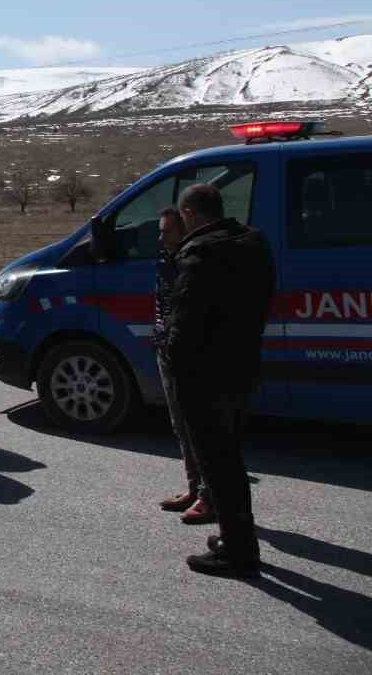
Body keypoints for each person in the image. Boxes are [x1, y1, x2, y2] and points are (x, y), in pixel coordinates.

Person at [163, 183, 275, 579]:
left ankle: (239, 552)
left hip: (204, 375)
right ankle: (234, 538)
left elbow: (184, 324)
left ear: (190, 214)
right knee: (230, 459)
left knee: (218, 464)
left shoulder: (200, 254)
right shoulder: (253, 243)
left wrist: (173, 363)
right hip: (243, 364)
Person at [150, 207, 212, 524]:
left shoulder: (194, 261)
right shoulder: (166, 261)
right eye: (160, 231)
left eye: (167, 231)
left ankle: (209, 495)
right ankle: (194, 487)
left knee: (197, 426)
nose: (161, 238)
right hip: (166, 349)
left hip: (188, 354)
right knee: (179, 425)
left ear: (184, 230)